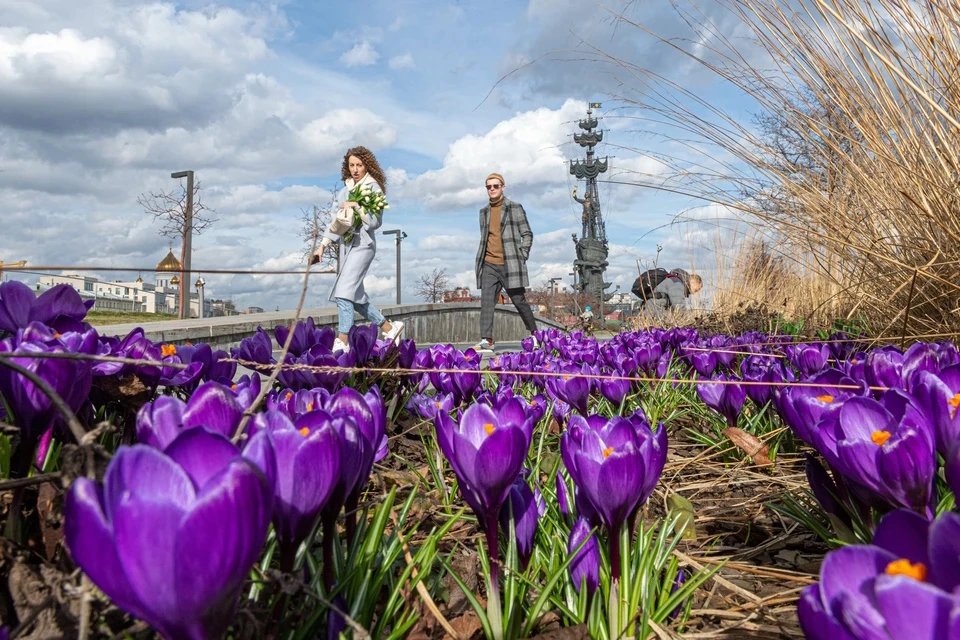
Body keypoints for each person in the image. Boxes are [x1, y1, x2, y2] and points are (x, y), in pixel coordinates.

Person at [315, 146, 404, 353]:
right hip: (346, 247)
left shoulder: (374, 188)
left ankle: (342, 340)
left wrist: (356, 206)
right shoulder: (344, 190)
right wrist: (321, 247)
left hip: (364, 246)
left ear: (367, 166)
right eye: (351, 165)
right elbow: (334, 223)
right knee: (354, 297)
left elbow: (374, 222)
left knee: (343, 291)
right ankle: (390, 327)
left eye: (359, 165)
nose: (355, 169)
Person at [473, 173, 538, 352]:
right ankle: (487, 340)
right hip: (488, 263)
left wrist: (522, 254)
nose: (492, 189)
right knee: (486, 301)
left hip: (510, 263)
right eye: (489, 186)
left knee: (519, 300)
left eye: (495, 185)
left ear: (503, 187)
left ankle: (535, 335)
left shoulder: (514, 208)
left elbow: (527, 234)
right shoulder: (483, 212)